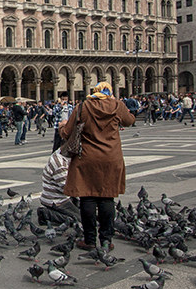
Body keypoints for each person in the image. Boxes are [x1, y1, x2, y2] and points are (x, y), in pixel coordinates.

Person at [59, 82, 134, 250]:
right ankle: (107, 239)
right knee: (107, 198)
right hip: (111, 158)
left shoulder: (83, 106)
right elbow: (130, 121)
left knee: (88, 197)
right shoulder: (117, 105)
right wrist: (115, 102)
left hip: (87, 158)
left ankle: (90, 240)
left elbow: (67, 132)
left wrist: (61, 127)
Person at [38, 146, 80, 226]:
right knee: (80, 220)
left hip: (60, 197)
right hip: (56, 200)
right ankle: (46, 214)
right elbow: (68, 188)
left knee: (84, 215)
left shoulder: (59, 154)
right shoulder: (59, 164)